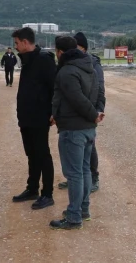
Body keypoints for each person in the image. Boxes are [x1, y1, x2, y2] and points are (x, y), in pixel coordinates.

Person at [49, 36, 105, 230]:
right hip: (88, 129)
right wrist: (96, 113)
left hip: (73, 130)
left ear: (60, 52)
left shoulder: (66, 72)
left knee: (74, 174)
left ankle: (74, 216)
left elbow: (77, 99)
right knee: (83, 170)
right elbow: (99, 93)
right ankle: (83, 209)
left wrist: (93, 115)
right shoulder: (90, 67)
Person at [11, 27, 57, 210]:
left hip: (39, 116)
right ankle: (32, 189)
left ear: (24, 42)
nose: (15, 46)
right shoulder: (27, 61)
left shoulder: (44, 60)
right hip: (26, 117)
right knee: (31, 154)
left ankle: (47, 194)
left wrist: (55, 111)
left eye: (16, 43)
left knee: (43, 154)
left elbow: (55, 87)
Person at [58, 32, 104, 193]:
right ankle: (75, 180)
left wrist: (98, 111)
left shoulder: (93, 64)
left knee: (89, 150)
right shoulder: (70, 65)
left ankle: (94, 177)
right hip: (75, 116)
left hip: (88, 114)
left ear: (82, 48)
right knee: (76, 155)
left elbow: (100, 89)